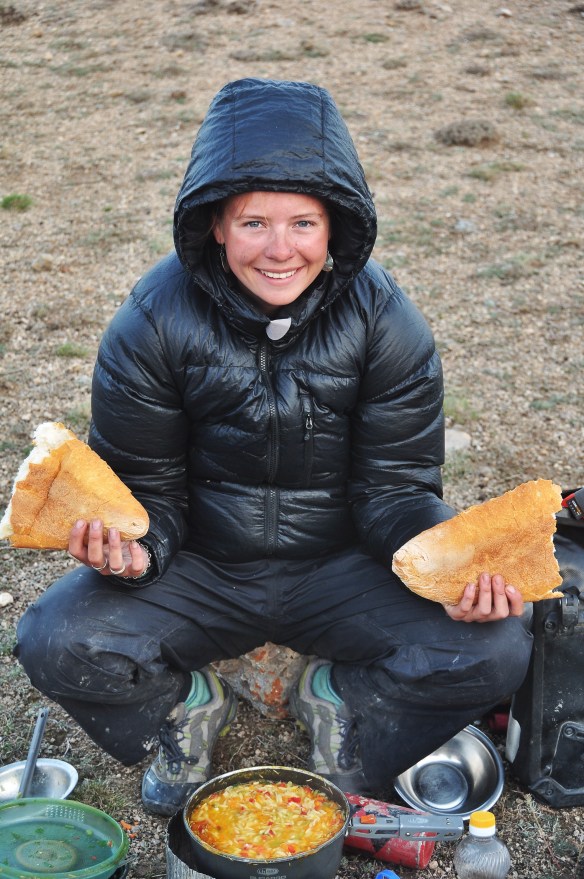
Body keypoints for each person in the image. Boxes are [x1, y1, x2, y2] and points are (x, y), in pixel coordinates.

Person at [15, 78, 533, 817]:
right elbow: (145, 491)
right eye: (253, 222)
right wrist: (135, 546)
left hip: (343, 567)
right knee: (53, 638)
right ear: (215, 225)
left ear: (337, 228)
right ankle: (184, 707)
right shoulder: (149, 322)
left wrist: (457, 568)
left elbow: (395, 488)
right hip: (202, 565)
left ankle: (343, 700)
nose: (280, 249)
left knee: (499, 646)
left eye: (304, 223)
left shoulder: (388, 322)